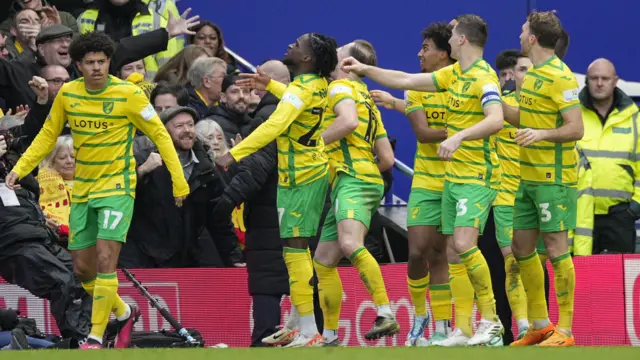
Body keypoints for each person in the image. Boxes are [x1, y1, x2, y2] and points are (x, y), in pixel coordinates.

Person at [4, 31, 190, 349]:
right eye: (89, 62)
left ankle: (94, 335)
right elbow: (48, 135)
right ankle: (123, 311)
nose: (96, 68)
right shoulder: (68, 95)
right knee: (83, 268)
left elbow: (160, 134)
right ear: (78, 65)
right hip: (84, 190)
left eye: (101, 62)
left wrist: (179, 179)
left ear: (108, 63)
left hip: (118, 186)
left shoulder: (129, 94)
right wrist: (20, 168)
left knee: (106, 258)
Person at [341, 14, 505, 346]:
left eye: (452, 33)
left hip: (477, 173)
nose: (420, 52)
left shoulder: (484, 77)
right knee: (446, 253)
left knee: (460, 246)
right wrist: (365, 70)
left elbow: (497, 119)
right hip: (453, 177)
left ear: (459, 41)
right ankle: (459, 328)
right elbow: (404, 79)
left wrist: (458, 137)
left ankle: (491, 319)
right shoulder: (454, 74)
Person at [217, 33, 338, 347]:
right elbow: (296, 100)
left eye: (297, 45)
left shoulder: (301, 89)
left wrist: (234, 153)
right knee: (297, 253)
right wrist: (270, 85)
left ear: (308, 59)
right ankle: (307, 329)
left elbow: (275, 124)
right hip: (314, 175)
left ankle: (309, 331)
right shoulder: (318, 86)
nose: (290, 46)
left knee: (296, 253)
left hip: (300, 178)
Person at [502, 11, 583, 347]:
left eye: (523, 30)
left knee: (555, 248)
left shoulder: (561, 77)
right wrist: (491, 104)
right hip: (528, 177)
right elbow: (525, 117)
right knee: (521, 249)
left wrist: (541, 135)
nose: (520, 34)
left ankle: (565, 330)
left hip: (555, 179)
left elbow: (576, 128)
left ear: (532, 38)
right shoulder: (532, 76)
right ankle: (541, 324)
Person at [309, 39, 397, 346]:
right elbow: (386, 159)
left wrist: (313, 144)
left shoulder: (340, 89)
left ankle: (385, 312)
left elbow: (347, 122)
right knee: (322, 261)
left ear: (347, 65)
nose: (331, 59)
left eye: (336, 55)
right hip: (362, 179)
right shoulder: (369, 101)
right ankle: (330, 336)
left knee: (349, 243)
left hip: (351, 178)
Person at [399, 22, 455, 347]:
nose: (420, 54)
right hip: (425, 179)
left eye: (426, 48)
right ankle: (419, 317)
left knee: (442, 254)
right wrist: (463, 129)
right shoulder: (417, 87)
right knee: (417, 252)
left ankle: (444, 326)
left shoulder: (464, 84)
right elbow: (422, 134)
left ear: (443, 54)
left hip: (457, 181)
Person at [573, 58, 639, 255]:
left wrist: (633, 210)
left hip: (619, 217)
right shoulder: (573, 115)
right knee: (581, 280)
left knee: (617, 284)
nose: (599, 83)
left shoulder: (634, 118)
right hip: (578, 215)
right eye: (594, 78)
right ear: (586, 81)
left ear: (615, 81)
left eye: (605, 78)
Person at [37, 135, 75, 246]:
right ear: (52, 161)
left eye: (73, 157)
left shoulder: (89, 183)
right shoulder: (38, 185)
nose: (69, 161)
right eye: (63, 158)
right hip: (54, 241)